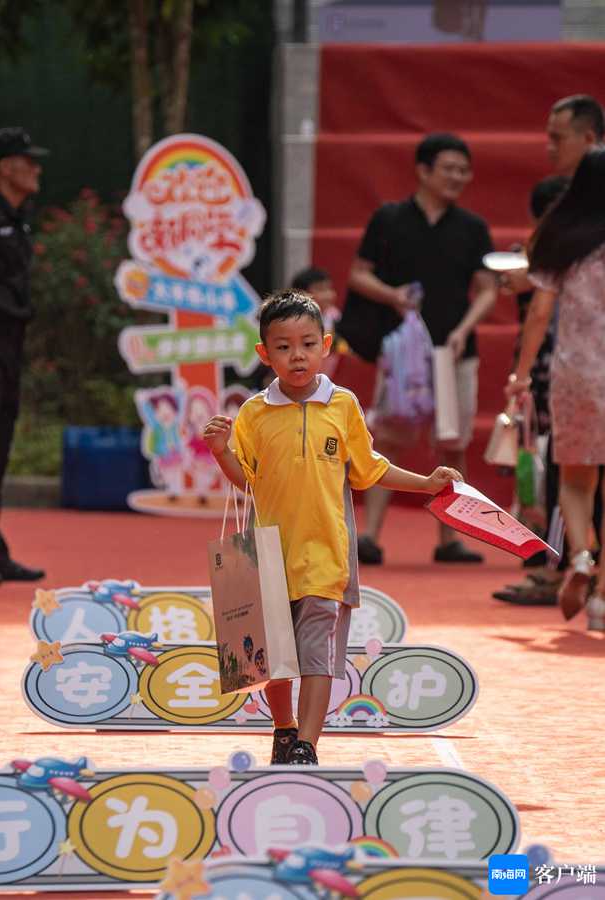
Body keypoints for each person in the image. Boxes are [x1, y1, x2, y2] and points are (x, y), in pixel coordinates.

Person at [203, 290, 461, 764]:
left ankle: (307, 744)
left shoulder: (343, 405)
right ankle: (283, 729)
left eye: (306, 343)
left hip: (326, 557)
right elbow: (248, 483)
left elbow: (370, 468)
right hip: (269, 556)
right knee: (274, 659)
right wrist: (222, 453)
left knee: (318, 657)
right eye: (282, 346)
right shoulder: (254, 415)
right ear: (264, 354)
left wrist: (426, 483)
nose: (296, 355)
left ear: (325, 345)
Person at [337, 132, 497, 565]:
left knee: (452, 444)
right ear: (423, 170)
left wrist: (465, 327)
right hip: (403, 354)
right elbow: (358, 275)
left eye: (464, 170)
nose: (458, 177)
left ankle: (450, 539)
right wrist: (393, 296)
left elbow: (486, 289)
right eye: (449, 168)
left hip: (454, 352)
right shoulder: (390, 220)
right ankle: (369, 536)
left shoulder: (472, 229)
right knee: (388, 437)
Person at [496, 94, 604, 605]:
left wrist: (520, 375)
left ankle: (581, 556)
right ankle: (602, 601)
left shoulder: (561, 235)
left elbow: (539, 312)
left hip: (575, 373)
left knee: (577, 480)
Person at [0, 127, 49, 586]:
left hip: (8, 343)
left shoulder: (18, 217)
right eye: (28, 160)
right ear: (4, 167)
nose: (36, 168)